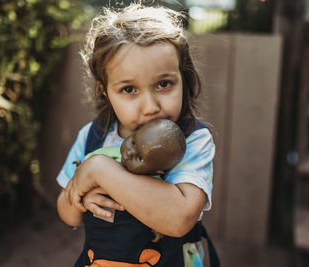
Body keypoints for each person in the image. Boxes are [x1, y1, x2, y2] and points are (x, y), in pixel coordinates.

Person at [56, 3, 216, 267]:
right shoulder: (92, 137)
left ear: (183, 80)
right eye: (129, 89)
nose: (150, 107)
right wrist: (81, 198)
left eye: (164, 84)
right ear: (105, 90)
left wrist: (98, 171)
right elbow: (67, 214)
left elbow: (179, 219)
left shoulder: (194, 141)